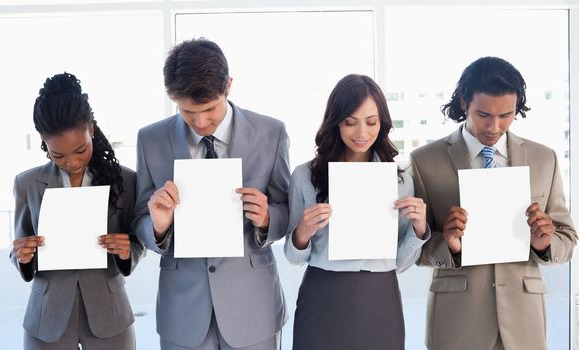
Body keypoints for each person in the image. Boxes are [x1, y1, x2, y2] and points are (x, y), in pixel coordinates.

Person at [132, 38, 290, 350]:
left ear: (228, 86)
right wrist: (158, 226)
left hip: (253, 308)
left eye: (209, 109)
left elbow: (288, 208)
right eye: (188, 111)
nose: (200, 122)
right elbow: (139, 219)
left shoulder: (271, 133)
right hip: (183, 312)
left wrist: (268, 218)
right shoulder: (150, 139)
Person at [410, 56, 577, 350]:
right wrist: (448, 244)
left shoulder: (544, 158)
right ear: (464, 103)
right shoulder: (424, 161)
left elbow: (568, 238)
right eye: (483, 114)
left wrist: (544, 243)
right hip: (456, 320)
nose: (494, 126)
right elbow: (413, 249)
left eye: (506, 115)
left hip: (523, 320)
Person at [284, 74, 430, 350]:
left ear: (382, 123)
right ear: (335, 121)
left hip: (379, 298)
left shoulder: (399, 179)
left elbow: (400, 261)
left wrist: (419, 229)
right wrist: (302, 233)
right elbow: (293, 257)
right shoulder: (305, 175)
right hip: (323, 295)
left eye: (371, 122)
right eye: (350, 122)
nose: (362, 133)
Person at [10, 72, 144, 350]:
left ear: (92, 129)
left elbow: (138, 242)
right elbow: (20, 245)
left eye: (81, 150)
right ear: (43, 142)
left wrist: (127, 249)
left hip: (110, 314)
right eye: (57, 154)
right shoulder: (27, 184)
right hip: (47, 317)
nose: (71, 162)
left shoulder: (126, 181)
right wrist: (22, 255)